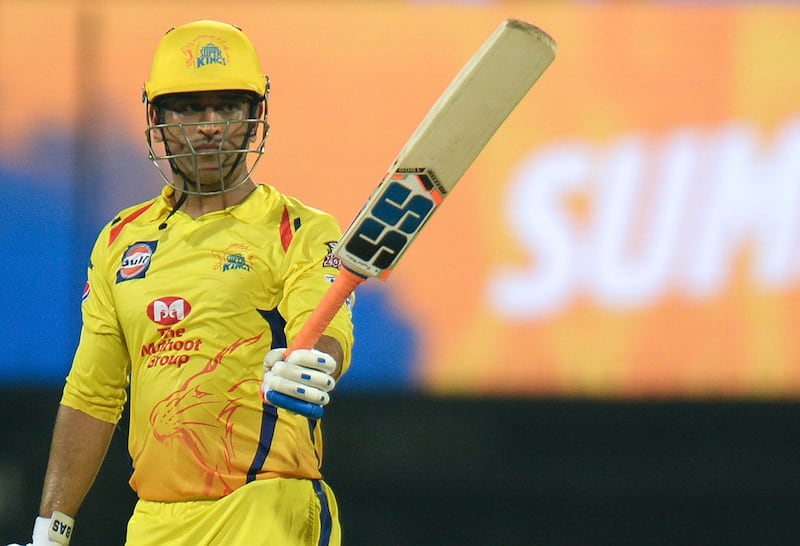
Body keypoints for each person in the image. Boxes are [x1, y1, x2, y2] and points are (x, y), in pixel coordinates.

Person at [9, 19, 354, 546]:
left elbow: (324, 324)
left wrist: (313, 362)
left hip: (266, 507)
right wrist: (51, 530)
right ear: (157, 119)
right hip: (154, 522)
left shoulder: (300, 228)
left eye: (227, 107)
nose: (210, 126)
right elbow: (92, 394)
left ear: (255, 115)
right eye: (190, 108)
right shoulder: (120, 241)